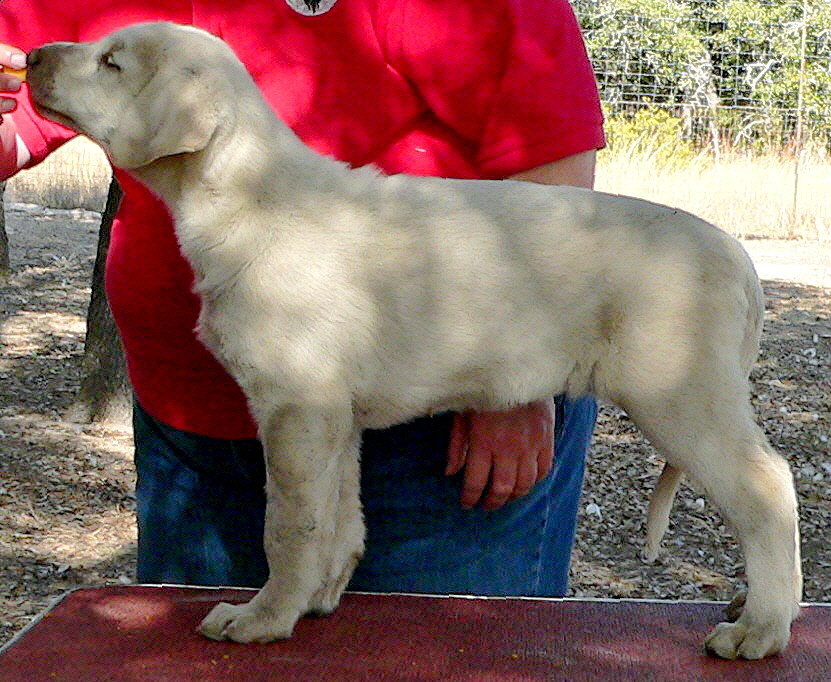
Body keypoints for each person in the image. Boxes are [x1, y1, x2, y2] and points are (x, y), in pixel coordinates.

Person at [0, 0, 604, 596]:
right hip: (195, 416)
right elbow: (20, 110)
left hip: (437, 418)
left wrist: (516, 378)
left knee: (431, 659)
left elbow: (550, 165)